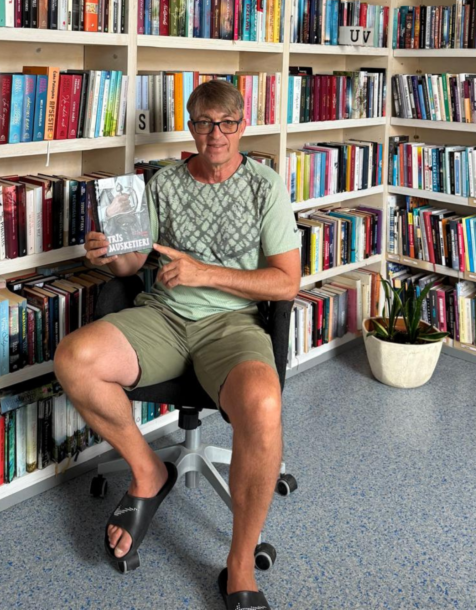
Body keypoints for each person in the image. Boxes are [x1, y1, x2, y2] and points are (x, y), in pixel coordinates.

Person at [54, 80, 300, 610]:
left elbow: (286, 283)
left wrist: (205, 273)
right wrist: (109, 253)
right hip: (163, 316)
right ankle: (149, 470)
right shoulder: (163, 183)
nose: (216, 134)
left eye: (227, 123)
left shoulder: (266, 186)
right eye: (205, 123)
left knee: (263, 404)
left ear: (242, 125)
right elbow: (132, 264)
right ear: (191, 127)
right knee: (75, 358)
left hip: (231, 325)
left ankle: (239, 563)